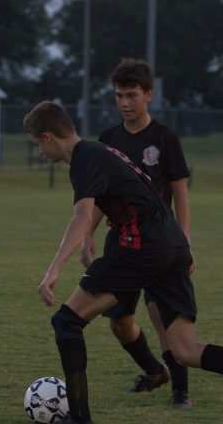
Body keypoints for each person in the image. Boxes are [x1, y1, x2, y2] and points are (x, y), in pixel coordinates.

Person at [24, 100, 223, 424]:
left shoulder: (85, 158)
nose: (40, 152)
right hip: (173, 245)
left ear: (47, 137)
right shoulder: (104, 152)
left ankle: (81, 420)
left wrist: (53, 270)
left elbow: (83, 215)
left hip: (142, 246)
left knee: (66, 322)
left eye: (37, 144)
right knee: (184, 349)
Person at [84, 58, 194, 408]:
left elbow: (180, 195)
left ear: (149, 94)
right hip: (122, 241)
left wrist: (186, 242)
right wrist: (87, 233)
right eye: (119, 96)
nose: (125, 103)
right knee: (119, 322)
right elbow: (101, 197)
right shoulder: (108, 140)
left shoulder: (165, 138)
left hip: (160, 242)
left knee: (161, 314)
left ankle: (181, 391)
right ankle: (153, 371)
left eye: (131, 95)